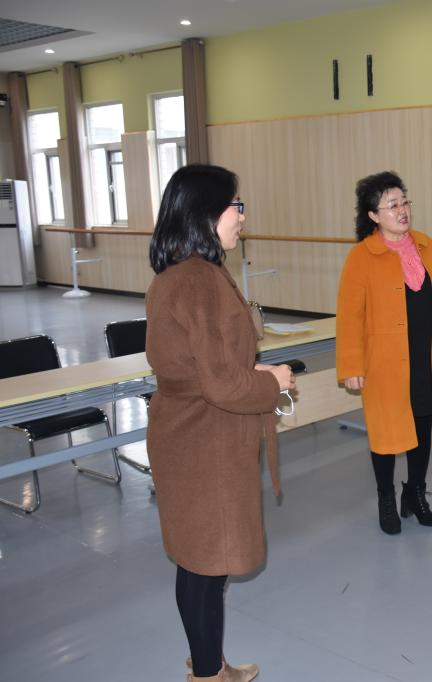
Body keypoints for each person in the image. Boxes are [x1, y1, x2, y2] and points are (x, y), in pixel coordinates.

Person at [146, 164, 295, 682]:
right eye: (236, 206)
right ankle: (209, 675)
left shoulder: (179, 274)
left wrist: (253, 371)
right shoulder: (200, 280)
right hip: (206, 439)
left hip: (186, 432)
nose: (242, 217)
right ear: (204, 213)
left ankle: (207, 660)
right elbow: (222, 386)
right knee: (207, 566)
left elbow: (201, 365)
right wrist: (273, 382)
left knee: (197, 561)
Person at [337, 172, 432, 535]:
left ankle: (416, 494)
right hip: (384, 363)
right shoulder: (361, 256)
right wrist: (351, 365)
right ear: (373, 215)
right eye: (392, 205)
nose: (402, 210)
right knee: (386, 434)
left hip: (426, 356)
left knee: (422, 425)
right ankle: (386, 498)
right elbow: (349, 317)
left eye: (404, 201)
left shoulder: (425, 246)